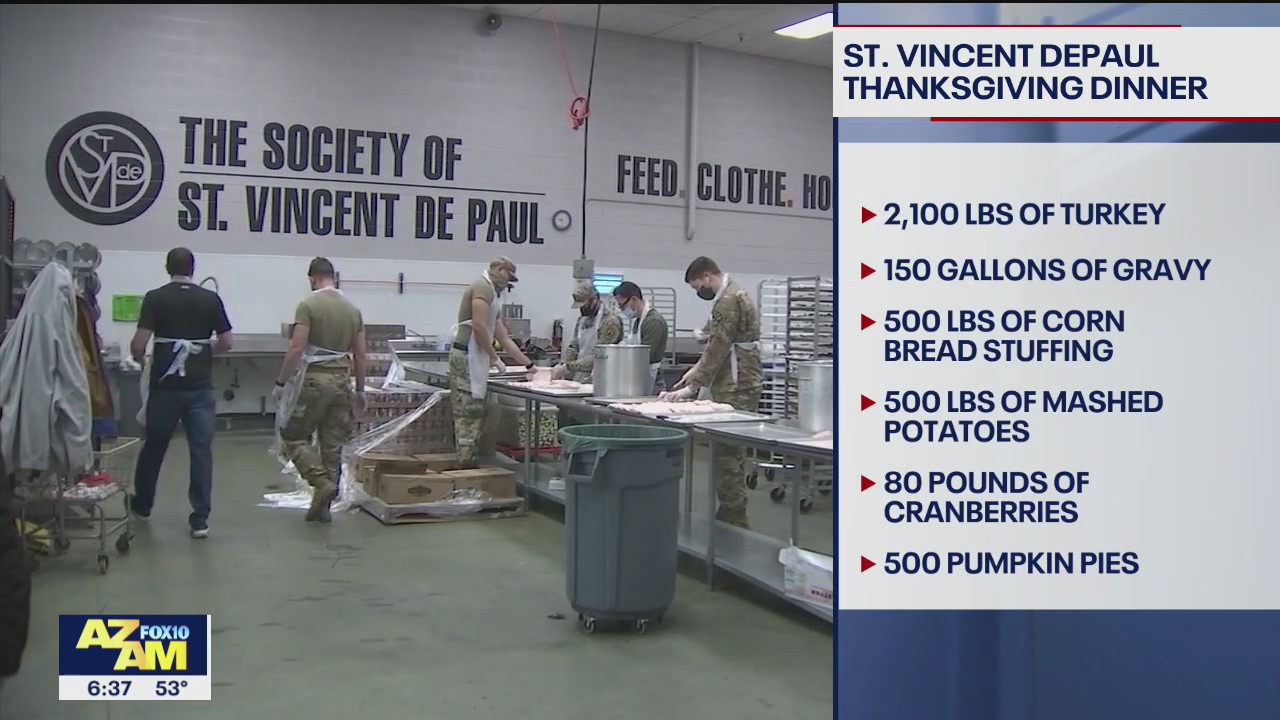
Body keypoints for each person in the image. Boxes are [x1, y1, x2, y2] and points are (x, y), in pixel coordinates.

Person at [129, 248, 233, 539]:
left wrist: (143, 363)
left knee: (154, 447)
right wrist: (204, 353)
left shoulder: (155, 297)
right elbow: (227, 341)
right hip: (200, 389)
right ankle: (200, 520)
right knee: (201, 452)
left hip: (165, 391)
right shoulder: (210, 299)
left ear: (168, 268)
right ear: (193, 268)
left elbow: (139, 344)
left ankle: (143, 504)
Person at [664, 257, 762, 529]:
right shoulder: (731, 294)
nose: (699, 291)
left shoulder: (728, 301)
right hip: (737, 377)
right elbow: (716, 340)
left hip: (737, 382)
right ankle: (731, 511)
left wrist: (694, 385)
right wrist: (694, 372)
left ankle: (733, 517)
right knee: (726, 451)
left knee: (728, 453)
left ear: (707, 277)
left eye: (697, 286)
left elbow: (719, 347)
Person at [273, 258, 368, 524]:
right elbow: (360, 355)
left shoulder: (308, 305)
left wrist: (281, 382)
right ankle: (322, 506)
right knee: (332, 445)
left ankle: (320, 481)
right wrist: (360, 390)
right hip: (342, 382)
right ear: (334, 277)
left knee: (293, 436)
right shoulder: (353, 310)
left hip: (315, 381)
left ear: (313, 278)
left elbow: (296, 348)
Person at [449, 257, 535, 468]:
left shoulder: (493, 297)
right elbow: (478, 326)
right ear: (498, 269)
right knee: (468, 414)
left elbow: (503, 337)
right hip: (465, 357)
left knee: (477, 412)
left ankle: (470, 462)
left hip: (476, 357)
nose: (507, 283)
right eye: (507, 276)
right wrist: (494, 357)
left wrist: (529, 365)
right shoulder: (482, 288)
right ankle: (464, 468)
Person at [553, 281, 623, 384]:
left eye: (584, 305)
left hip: (602, 377)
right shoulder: (582, 320)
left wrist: (569, 366)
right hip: (580, 375)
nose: (581, 309)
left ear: (594, 300)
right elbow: (574, 346)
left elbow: (599, 355)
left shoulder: (610, 322)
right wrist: (563, 363)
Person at [612, 281, 670, 394]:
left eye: (622, 306)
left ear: (634, 299)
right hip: (642, 375)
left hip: (652, 378)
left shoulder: (653, 322)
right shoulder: (639, 321)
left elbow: (645, 355)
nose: (622, 310)